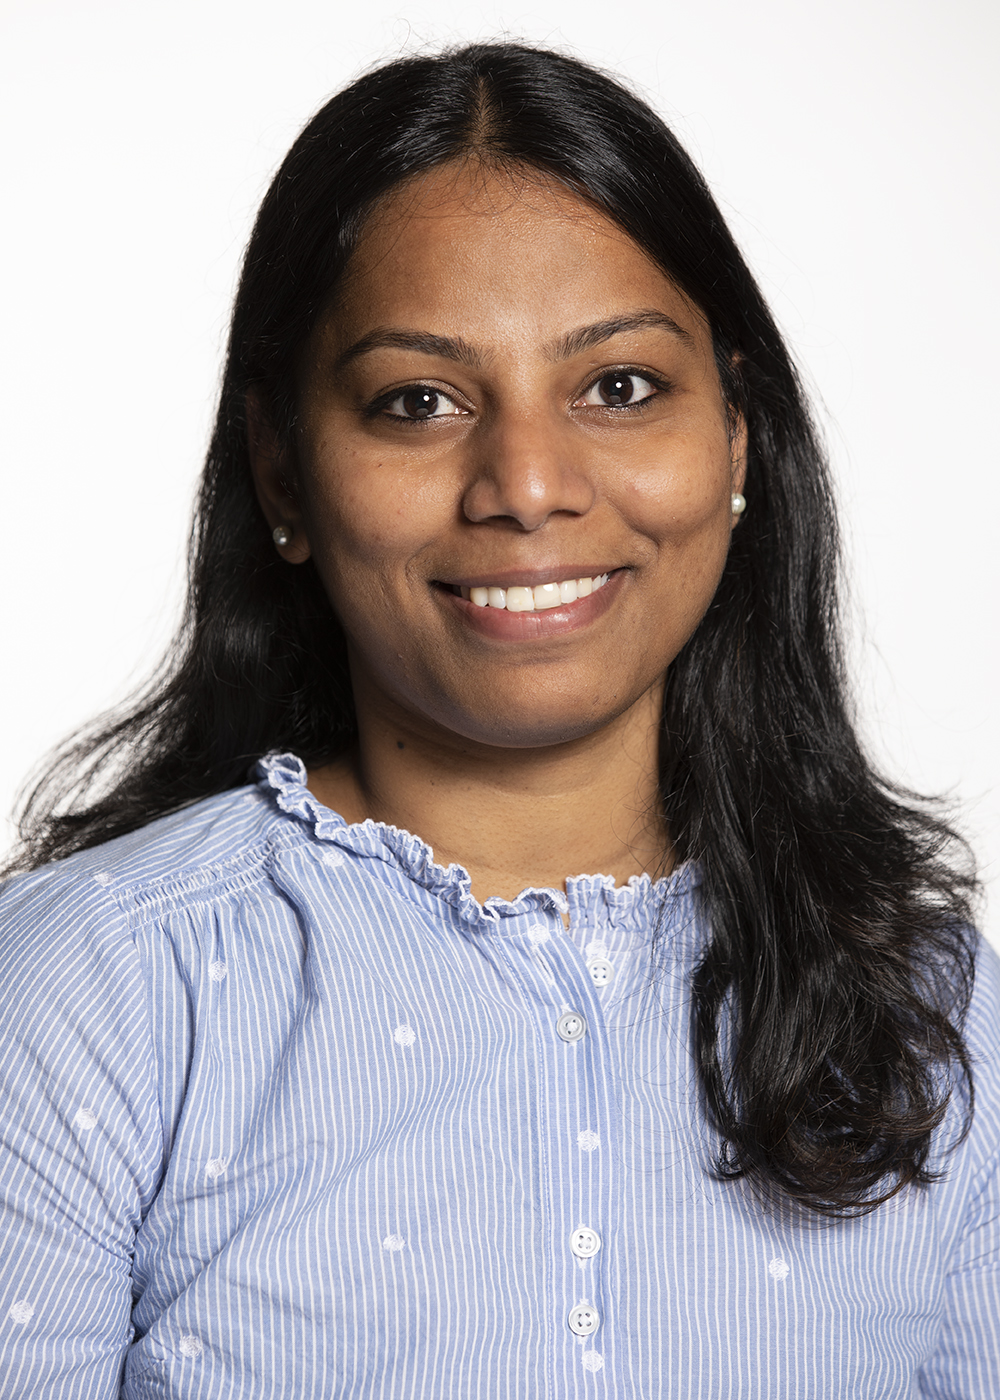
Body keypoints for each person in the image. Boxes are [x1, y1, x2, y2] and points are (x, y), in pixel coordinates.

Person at [1, 41, 997, 1399]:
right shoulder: (95, 990)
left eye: (619, 387)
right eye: (418, 402)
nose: (527, 485)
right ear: (284, 473)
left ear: (736, 438)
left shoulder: (935, 1007)